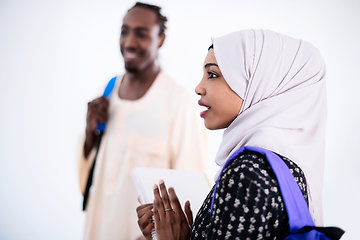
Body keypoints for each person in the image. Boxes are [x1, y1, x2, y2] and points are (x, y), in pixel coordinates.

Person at [136, 29, 327, 239]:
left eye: (213, 75)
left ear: (259, 81)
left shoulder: (246, 173)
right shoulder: (286, 167)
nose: (198, 88)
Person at [76, 2, 208, 239]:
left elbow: (191, 198)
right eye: (124, 31)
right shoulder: (107, 92)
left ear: (161, 39)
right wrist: (89, 134)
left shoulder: (180, 103)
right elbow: (89, 180)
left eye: (142, 34)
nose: (129, 42)